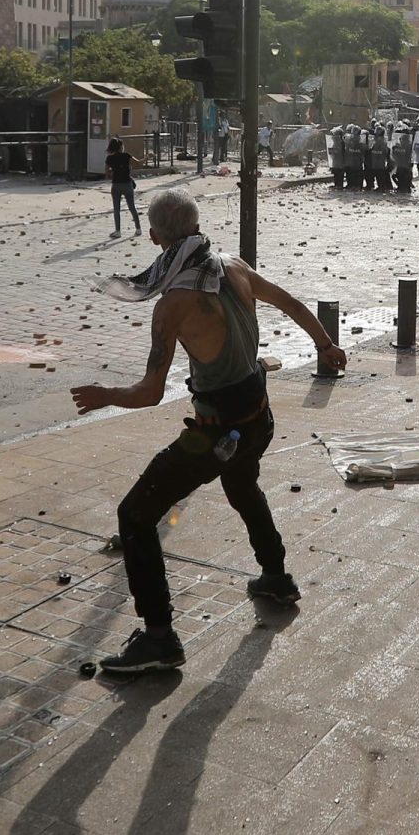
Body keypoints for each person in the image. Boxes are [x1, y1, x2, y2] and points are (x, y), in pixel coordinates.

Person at [74, 190, 347, 674]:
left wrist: (105, 395)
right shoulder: (232, 264)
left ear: (156, 236)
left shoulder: (174, 301)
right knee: (242, 484)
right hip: (257, 417)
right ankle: (276, 578)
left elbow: (150, 393)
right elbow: (291, 303)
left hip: (217, 431)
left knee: (136, 516)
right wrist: (325, 344)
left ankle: (159, 639)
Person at [105, 138, 140, 238]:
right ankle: (138, 229)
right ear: (121, 147)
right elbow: (138, 163)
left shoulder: (109, 159)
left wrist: (114, 171)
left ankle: (118, 231)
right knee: (132, 207)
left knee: (116, 209)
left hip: (116, 185)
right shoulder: (126, 156)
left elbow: (107, 173)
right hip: (127, 184)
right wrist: (146, 158)